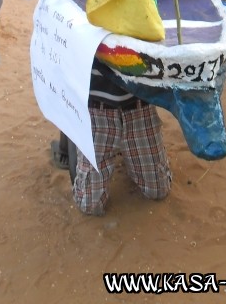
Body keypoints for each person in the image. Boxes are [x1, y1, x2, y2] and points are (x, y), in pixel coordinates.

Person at [71, 60, 171, 216]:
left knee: (158, 190)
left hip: (138, 104)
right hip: (95, 110)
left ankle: (133, 153)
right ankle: (75, 142)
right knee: (89, 205)